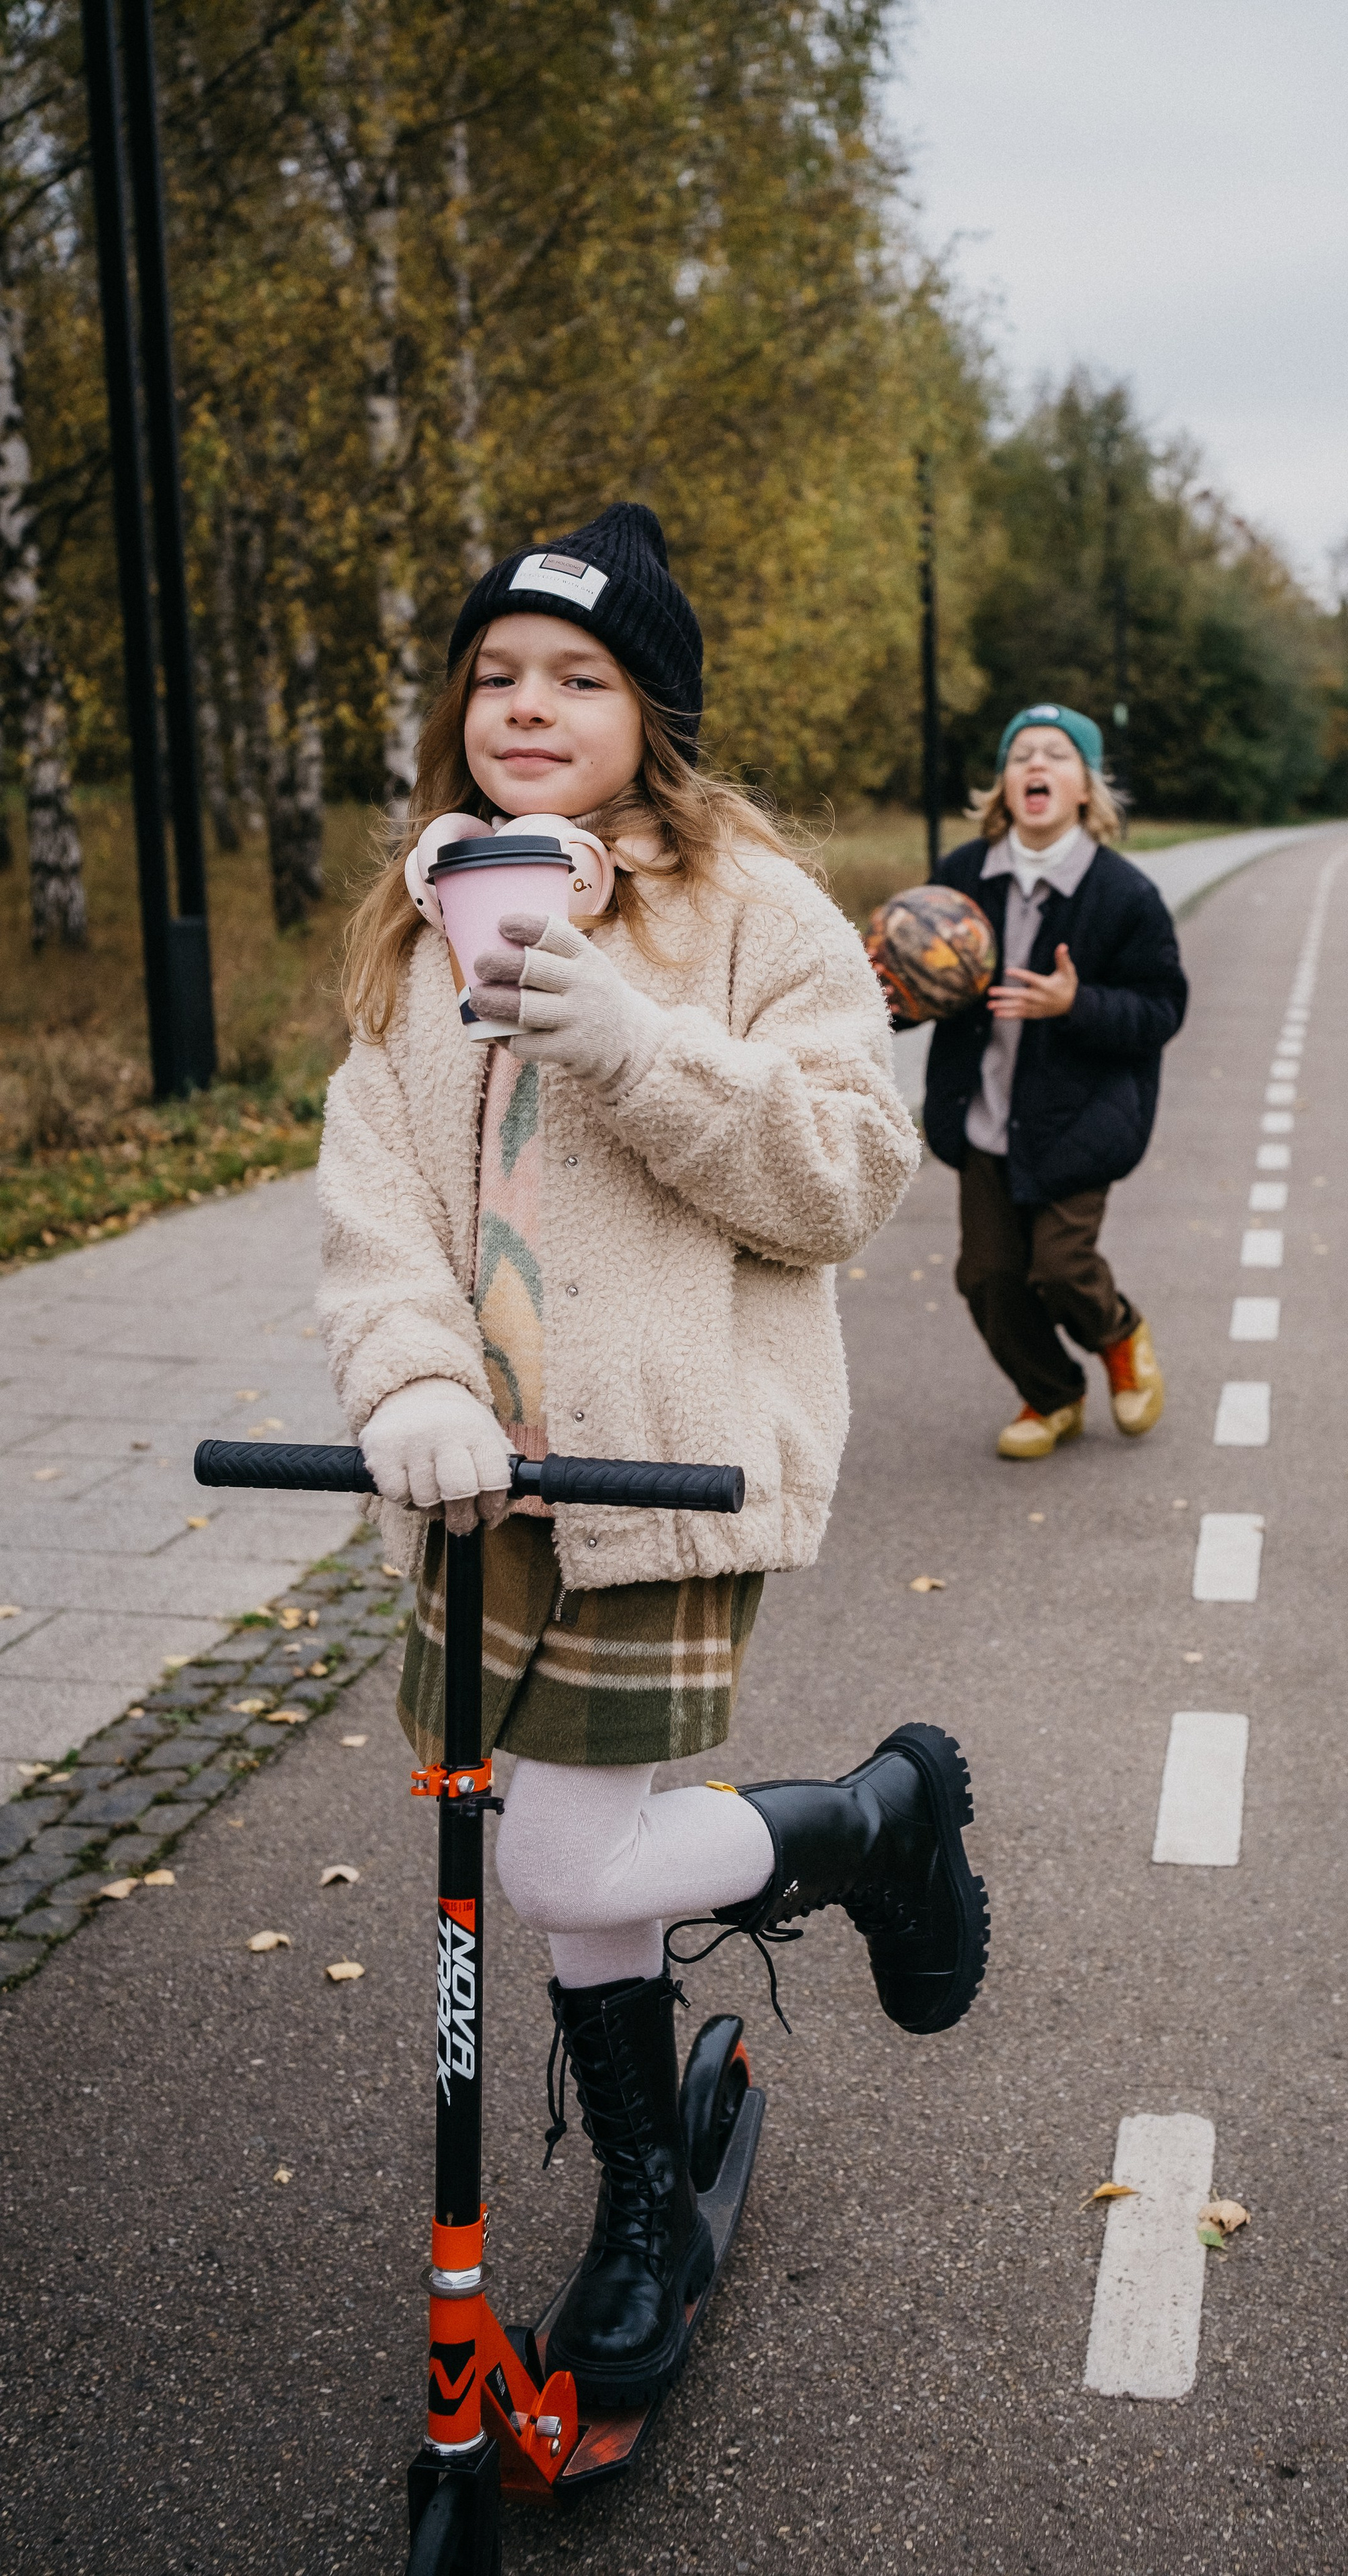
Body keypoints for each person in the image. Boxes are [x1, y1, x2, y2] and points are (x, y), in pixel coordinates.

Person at [317, 504, 989, 2415]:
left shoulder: (750, 915)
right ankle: (641, 2198)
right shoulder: (415, 909)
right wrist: (408, 1385)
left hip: (664, 1475)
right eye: (497, 676)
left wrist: (631, 1040)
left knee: (559, 1852)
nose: (527, 707)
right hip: (475, 1494)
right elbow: (374, 1208)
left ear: (652, 714)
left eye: (579, 679)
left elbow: (849, 1179)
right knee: (578, 1866)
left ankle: (869, 1823)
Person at [922, 702, 1188, 1459]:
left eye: (1057, 755)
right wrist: (893, 982)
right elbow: (920, 984)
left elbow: (1162, 1007)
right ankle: (1052, 1394)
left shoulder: (1124, 896)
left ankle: (1120, 1336)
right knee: (988, 1278)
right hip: (984, 1117)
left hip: (1080, 1119)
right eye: (1020, 755)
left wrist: (1077, 1004)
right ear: (1003, 787)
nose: (1036, 764)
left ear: (1086, 790)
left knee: (1062, 1267)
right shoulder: (963, 876)